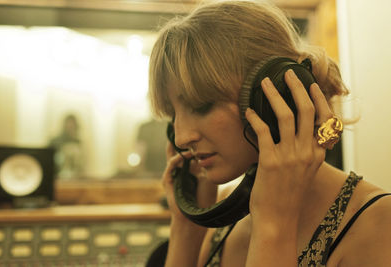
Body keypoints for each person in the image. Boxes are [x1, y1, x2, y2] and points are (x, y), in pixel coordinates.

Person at [148, 1, 391, 266]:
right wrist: (186, 227)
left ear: (275, 96)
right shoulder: (227, 212)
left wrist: (274, 225)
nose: (182, 138)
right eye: (173, 114)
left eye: (201, 106)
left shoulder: (378, 222)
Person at [49, 114, 83, 180]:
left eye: (72, 125)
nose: (70, 127)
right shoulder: (55, 141)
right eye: (69, 124)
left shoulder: (78, 142)